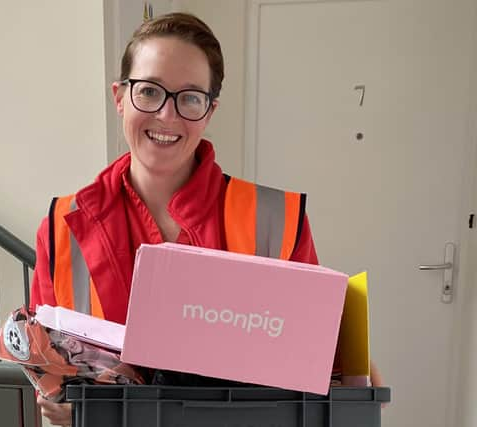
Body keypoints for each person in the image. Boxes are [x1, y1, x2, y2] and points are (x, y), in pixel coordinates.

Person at [28, 12, 381, 425]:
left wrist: (357, 377)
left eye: (190, 97)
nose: (167, 115)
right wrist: (57, 400)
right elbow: (46, 363)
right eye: (149, 91)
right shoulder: (61, 226)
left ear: (210, 111)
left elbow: (325, 364)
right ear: (120, 97)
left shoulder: (276, 220)